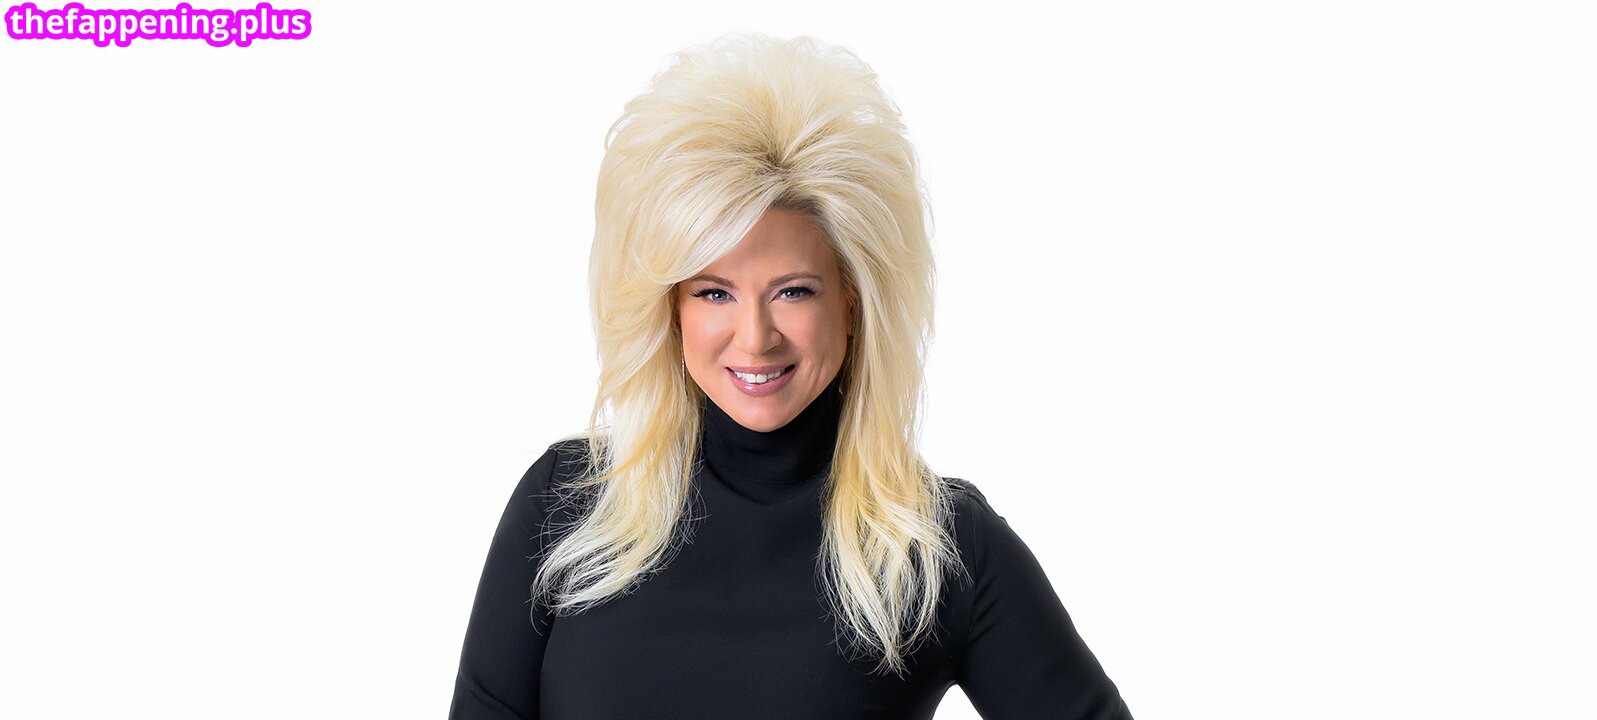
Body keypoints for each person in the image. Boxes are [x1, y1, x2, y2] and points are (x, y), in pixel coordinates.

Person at [448, 32, 1133, 719]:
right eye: (714, 293)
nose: (755, 338)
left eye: (793, 291)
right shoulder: (565, 506)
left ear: (853, 302)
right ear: (671, 309)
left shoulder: (935, 549)